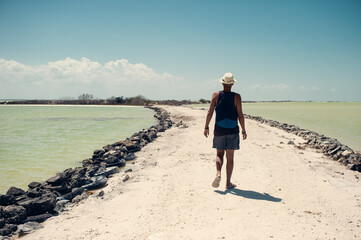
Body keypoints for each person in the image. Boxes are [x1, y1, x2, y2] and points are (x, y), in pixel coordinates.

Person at [204, 72, 247, 189]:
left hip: (219, 129)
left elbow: (210, 112)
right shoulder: (237, 96)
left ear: (222, 83)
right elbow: (240, 115)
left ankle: (218, 173)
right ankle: (228, 183)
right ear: (232, 84)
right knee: (230, 157)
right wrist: (243, 130)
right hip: (233, 130)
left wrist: (206, 126)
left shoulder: (215, 95)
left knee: (219, 154)